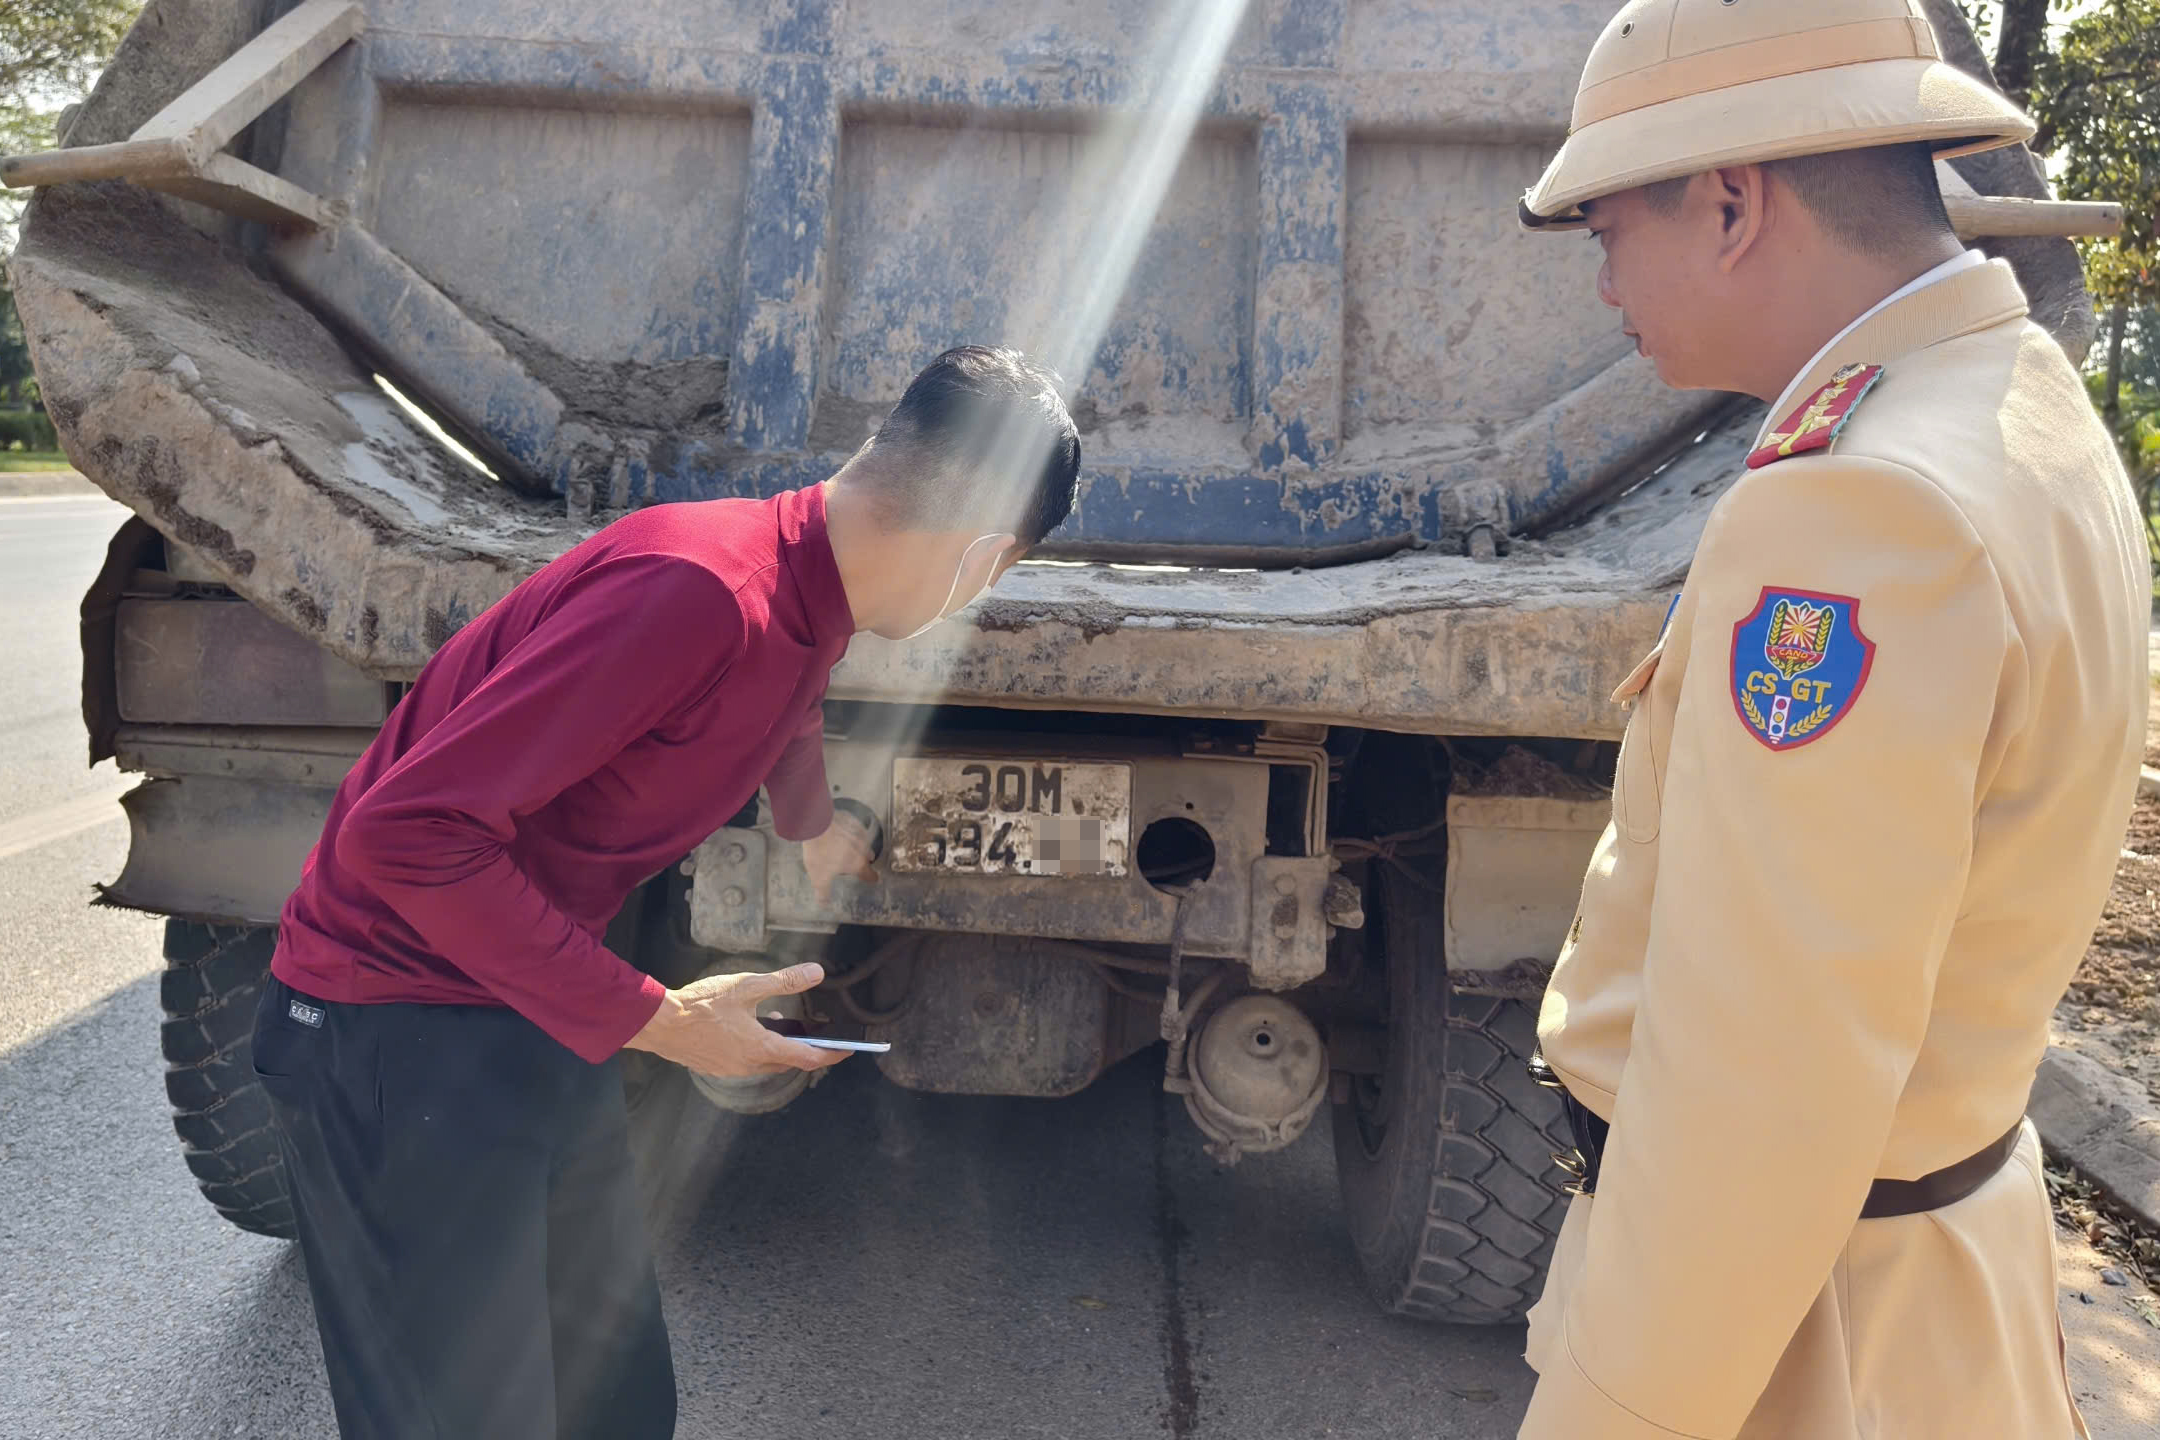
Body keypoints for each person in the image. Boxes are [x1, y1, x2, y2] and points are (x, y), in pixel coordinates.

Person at [249, 345, 1082, 1440]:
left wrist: (814, 827)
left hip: (527, 1011)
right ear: (980, 554)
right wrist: (666, 1021)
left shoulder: (805, 581)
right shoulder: (697, 590)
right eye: (1004, 573)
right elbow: (406, 835)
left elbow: (787, 689)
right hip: (393, 1031)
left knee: (617, 1405)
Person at [1514, 3, 2145, 1437]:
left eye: (1607, 226)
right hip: (1919, 1283)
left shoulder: (1852, 511)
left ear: (1732, 202)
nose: (1601, 279)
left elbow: (1757, 1087)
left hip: (1805, 1346)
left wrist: (1614, 1413)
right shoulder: (2016, 402)